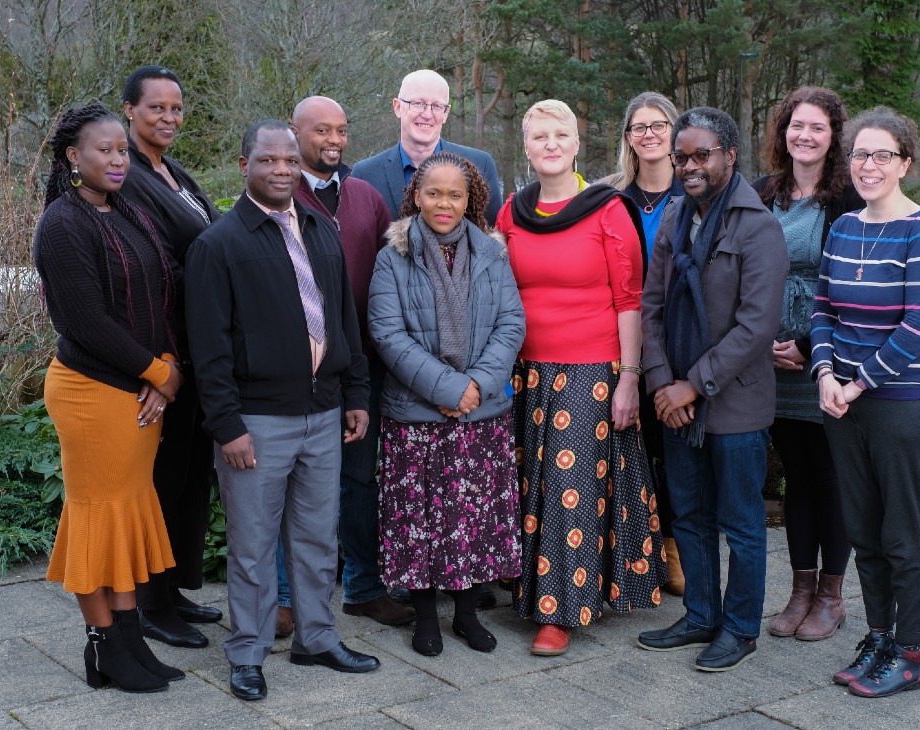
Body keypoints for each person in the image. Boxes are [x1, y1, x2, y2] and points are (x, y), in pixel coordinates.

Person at [185, 120, 380, 702]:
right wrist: (227, 426)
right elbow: (208, 349)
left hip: (324, 413)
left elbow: (343, 319)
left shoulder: (319, 229)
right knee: (252, 546)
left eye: (290, 161)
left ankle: (316, 638)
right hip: (257, 423)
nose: (281, 170)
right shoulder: (218, 245)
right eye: (268, 160)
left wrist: (356, 394)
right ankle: (247, 652)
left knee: (318, 540)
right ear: (244, 164)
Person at [499, 99, 666, 658]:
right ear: (526, 146)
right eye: (539, 135)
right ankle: (528, 588)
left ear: (576, 144)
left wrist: (629, 379)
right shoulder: (512, 212)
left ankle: (560, 612)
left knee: (569, 492)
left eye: (560, 134)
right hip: (526, 372)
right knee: (532, 485)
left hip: (590, 371)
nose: (550, 144)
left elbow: (630, 299)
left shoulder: (607, 209)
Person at [34, 103, 185, 693]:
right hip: (91, 392)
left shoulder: (125, 211)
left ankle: (128, 640)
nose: (119, 159)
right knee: (97, 518)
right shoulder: (62, 224)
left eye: (123, 150)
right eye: (105, 150)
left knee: (123, 515)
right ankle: (102, 645)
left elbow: (161, 293)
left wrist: (164, 365)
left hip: (139, 390)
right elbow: (85, 322)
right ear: (74, 156)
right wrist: (158, 372)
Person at [637, 107, 788, 672]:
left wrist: (693, 386)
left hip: (735, 402)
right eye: (681, 157)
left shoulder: (757, 225)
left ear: (730, 155)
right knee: (689, 516)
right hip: (675, 401)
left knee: (741, 524)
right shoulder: (676, 217)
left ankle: (741, 629)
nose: (689, 166)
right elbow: (651, 307)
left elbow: (757, 325)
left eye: (702, 155)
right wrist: (661, 382)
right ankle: (700, 615)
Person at [812, 107, 920, 698]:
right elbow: (823, 308)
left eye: (882, 155)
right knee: (864, 531)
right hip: (844, 404)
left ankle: (912, 653)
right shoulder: (845, 227)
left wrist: (856, 383)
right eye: (859, 154)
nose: (868, 166)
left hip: (903, 405)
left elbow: (919, 326)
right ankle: (879, 638)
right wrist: (824, 373)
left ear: (905, 163)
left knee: (903, 534)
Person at [368, 152, 525, 657]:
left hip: (481, 412)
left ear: (469, 199)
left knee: (470, 518)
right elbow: (387, 334)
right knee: (419, 521)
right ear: (416, 196)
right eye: (433, 192)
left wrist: (475, 385)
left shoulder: (492, 253)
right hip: (416, 413)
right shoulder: (392, 255)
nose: (444, 203)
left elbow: (511, 324)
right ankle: (425, 619)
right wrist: (447, 389)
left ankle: (466, 616)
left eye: (455, 194)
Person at [276, 95, 414, 633]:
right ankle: (285, 598)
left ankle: (363, 587)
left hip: (362, 365)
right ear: (294, 133)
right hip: (300, 368)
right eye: (321, 130)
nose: (333, 140)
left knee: (360, 479)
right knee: (295, 484)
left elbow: (394, 272)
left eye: (341, 130)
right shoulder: (278, 194)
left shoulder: (364, 197)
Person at [753, 86, 864, 642]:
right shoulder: (762, 192)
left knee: (830, 475)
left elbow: (853, 284)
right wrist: (760, 342)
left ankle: (830, 596)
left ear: (834, 136)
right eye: (797, 124)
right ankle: (799, 591)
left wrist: (807, 344)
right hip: (768, 360)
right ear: (783, 131)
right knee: (796, 477)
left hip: (825, 356)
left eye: (818, 127)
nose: (805, 135)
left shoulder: (848, 198)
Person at [116, 64, 221, 651]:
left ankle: (174, 586)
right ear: (129, 110)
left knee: (188, 474)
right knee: (161, 476)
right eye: (156, 107)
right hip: (166, 350)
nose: (169, 117)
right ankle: (150, 602)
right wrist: (162, 362)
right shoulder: (128, 177)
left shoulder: (172, 171)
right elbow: (149, 268)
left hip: (197, 344)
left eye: (176, 108)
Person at [601, 90, 686, 596]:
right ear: (628, 138)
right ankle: (631, 548)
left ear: (675, 132)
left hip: (678, 342)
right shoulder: (609, 197)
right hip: (622, 339)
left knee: (673, 450)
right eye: (640, 127)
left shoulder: (693, 192)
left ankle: (674, 549)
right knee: (628, 448)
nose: (649, 134)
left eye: (659, 125)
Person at [354, 69, 503, 226]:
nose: (427, 114)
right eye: (418, 104)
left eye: (437, 106)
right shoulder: (365, 175)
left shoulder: (480, 165)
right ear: (397, 107)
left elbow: (491, 235)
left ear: (446, 113)